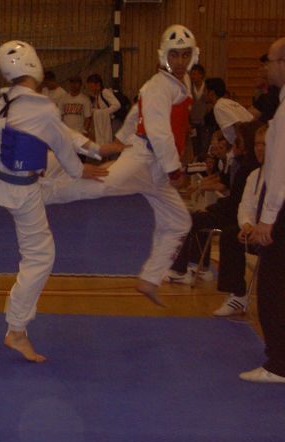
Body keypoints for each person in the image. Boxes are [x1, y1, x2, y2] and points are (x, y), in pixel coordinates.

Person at [43, 24, 201, 306]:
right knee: (101, 186)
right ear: (164, 55)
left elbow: (137, 112)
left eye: (185, 55)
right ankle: (43, 192)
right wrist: (175, 170)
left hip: (157, 168)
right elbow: (159, 132)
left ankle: (150, 279)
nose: (180, 61)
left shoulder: (182, 82)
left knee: (179, 221)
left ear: (194, 56)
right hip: (144, 158)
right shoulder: (158, 86)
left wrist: (119, 139)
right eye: (175, 55)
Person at [0, 40, 120, 362]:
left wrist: (94, 148)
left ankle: (98, 183)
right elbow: (60, 141)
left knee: (60, 179)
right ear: (34, 64)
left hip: (4, 176)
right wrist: (82, 167)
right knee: (41, 256)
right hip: (20, 188)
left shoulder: (8, 100)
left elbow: (59, 132)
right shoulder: (40, 107)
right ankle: (16, 330)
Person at [166, 121, 262, 285]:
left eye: (238, 140)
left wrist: (212, 208)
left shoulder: (247, 168)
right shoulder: (242, 164)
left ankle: (179, 270)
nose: (235, 143)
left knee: (190, 220)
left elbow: (236, 201)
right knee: (199, 218)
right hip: (235, 213)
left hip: (235, 216)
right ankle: (200, 266)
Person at [241, 38, 285, 384]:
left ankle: (278, 364)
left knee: (272, 286)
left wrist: (267, 219)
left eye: (269, 61)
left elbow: (279, 169)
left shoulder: (284, 114)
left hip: (281, 209)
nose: (266, 67)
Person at [213, 124, 266, 316]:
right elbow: (245, 206)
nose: (260, 148)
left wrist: (262, 229)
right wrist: (246, 225)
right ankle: (237, 294)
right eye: (257, 144)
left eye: (265, 144)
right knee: (230, 236)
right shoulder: (254, 176)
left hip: (274, 235)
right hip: (255, 232)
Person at [205, 77, 254, 146]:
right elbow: (250, 119)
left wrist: (240, 145)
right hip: (251, 136)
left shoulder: (218, 106)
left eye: (205, 91)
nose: (204, 94)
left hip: (245, 142)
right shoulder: (230, 102)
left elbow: (237, 124)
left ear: (212, 93)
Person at [86, 73, 121, 144]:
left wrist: (103, 112)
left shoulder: (105, 92)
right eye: (89, 87)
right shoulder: (97, 95)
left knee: (113, 143)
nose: (90, 89)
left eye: (91, 86)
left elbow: (117, 105)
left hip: (113, 122)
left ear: (98, 84)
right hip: (106, 122)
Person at [189, 64, 209, 157]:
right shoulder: (188, 88)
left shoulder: (207, 88)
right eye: (191, 74)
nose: (193, 76)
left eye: (195, 74)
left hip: (204, 122)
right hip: (193, 122)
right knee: (195, 145)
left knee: (205, 144)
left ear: (201, 75)